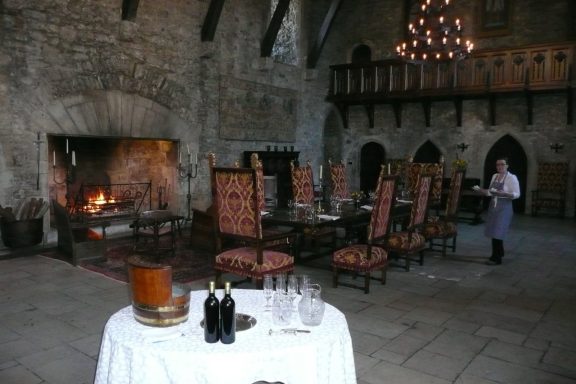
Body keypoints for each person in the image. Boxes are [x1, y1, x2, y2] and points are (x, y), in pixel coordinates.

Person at [472, 157, 520, 265]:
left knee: (498, 231)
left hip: (504, 207)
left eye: (502, 164)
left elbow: (517, 194)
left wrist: (504, 194)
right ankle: (500, 252)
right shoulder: (495, 176)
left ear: (507, 165)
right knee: (494, 230)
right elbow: (490, 192)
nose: (499, 167)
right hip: (493, 206)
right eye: (498, 165)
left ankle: (496, 258)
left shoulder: (512, 178)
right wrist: (480, 190)